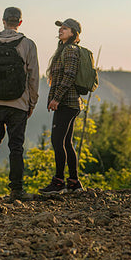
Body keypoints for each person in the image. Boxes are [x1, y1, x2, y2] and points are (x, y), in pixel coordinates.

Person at [0, 6, 39, 200]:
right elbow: (34, 77)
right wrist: (31, 103)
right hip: (18, 104)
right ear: (20, 22)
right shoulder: (28, 44)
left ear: (3, 20)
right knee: (16, 147)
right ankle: (16, 190)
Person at [40, 18, 84, 195]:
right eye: (60, 28)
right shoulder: (64, 50)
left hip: (67, 103)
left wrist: (56, 99)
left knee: (57, 141)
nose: (61, 31)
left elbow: (69, 76)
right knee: (66, 142)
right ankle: (73, 182)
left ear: (73, 33)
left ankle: (59, 182)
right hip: (68, 103)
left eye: (65, 29)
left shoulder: (71, 51)